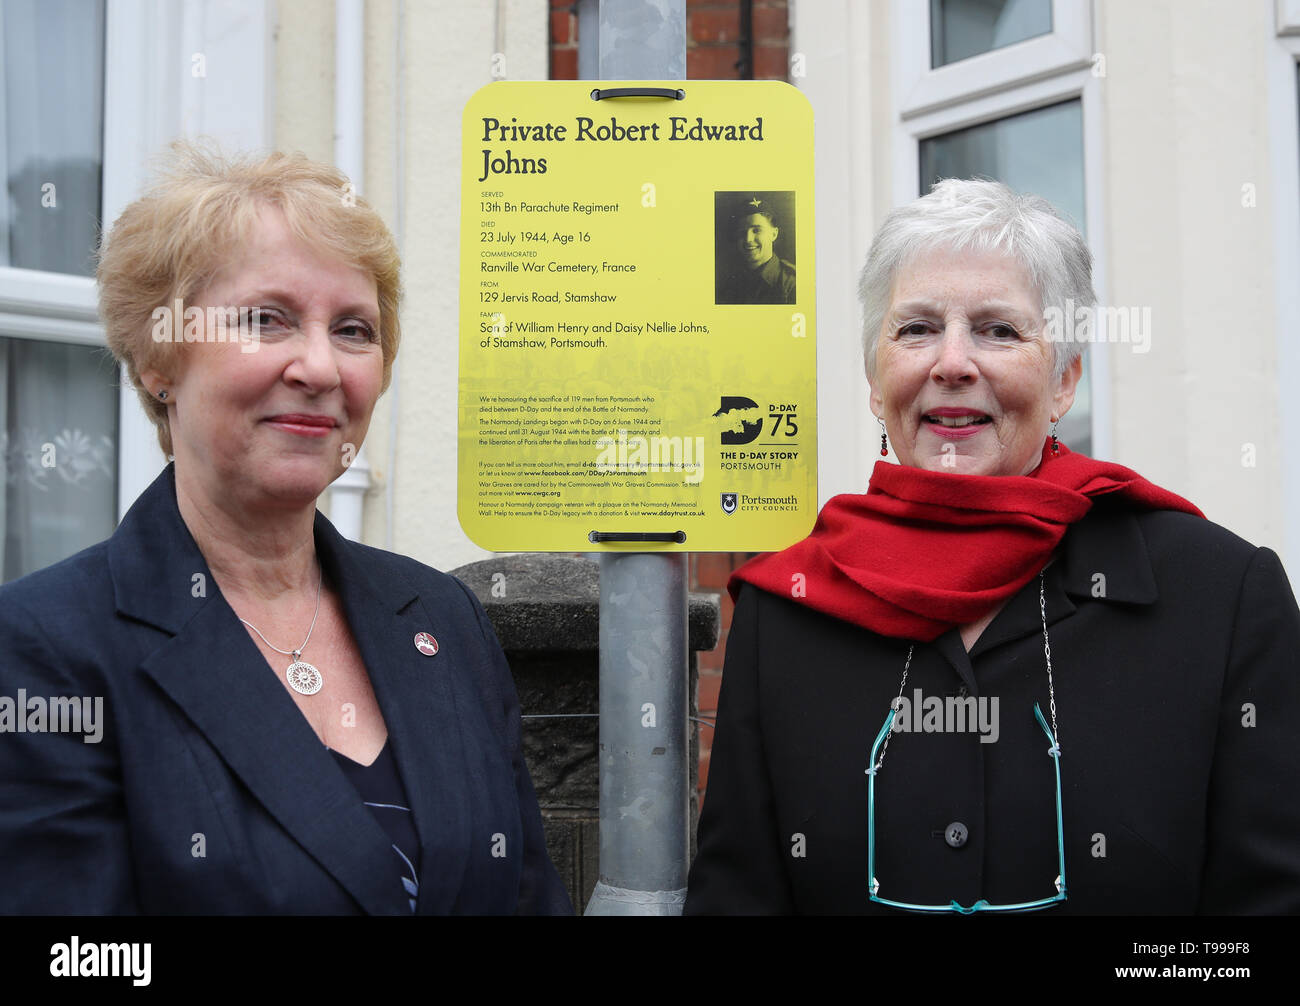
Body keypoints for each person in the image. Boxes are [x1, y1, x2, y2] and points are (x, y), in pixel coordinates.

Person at [685, 178, 1300, 914]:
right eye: (915, 329)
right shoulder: (786, 609)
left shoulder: (1219, 599)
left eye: (998, 330)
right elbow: (738, 897)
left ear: (1064, 380)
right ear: (877, 383)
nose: (952, 362)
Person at [0, 142, 572, 915]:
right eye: (266, 320)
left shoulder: (442, 618)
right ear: (157, 360)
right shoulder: (45, 647)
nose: (320, 367)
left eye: (353, 330)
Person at [716, 198, 796, 305]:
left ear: (774, 234)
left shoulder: (792, 284)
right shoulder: (730, 284)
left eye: (756, 230)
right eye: (742, 232)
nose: (748, 239)